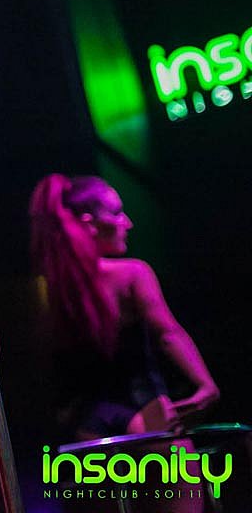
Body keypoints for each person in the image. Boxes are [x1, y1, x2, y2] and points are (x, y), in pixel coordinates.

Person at [28, 174, 220, 441]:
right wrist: (205, 384)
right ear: (90, 223)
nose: (127, 222)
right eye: (116, 213)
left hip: (82, 425)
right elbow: (168, 334)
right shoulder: (131, 274)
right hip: (144, 413)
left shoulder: (46, 291)